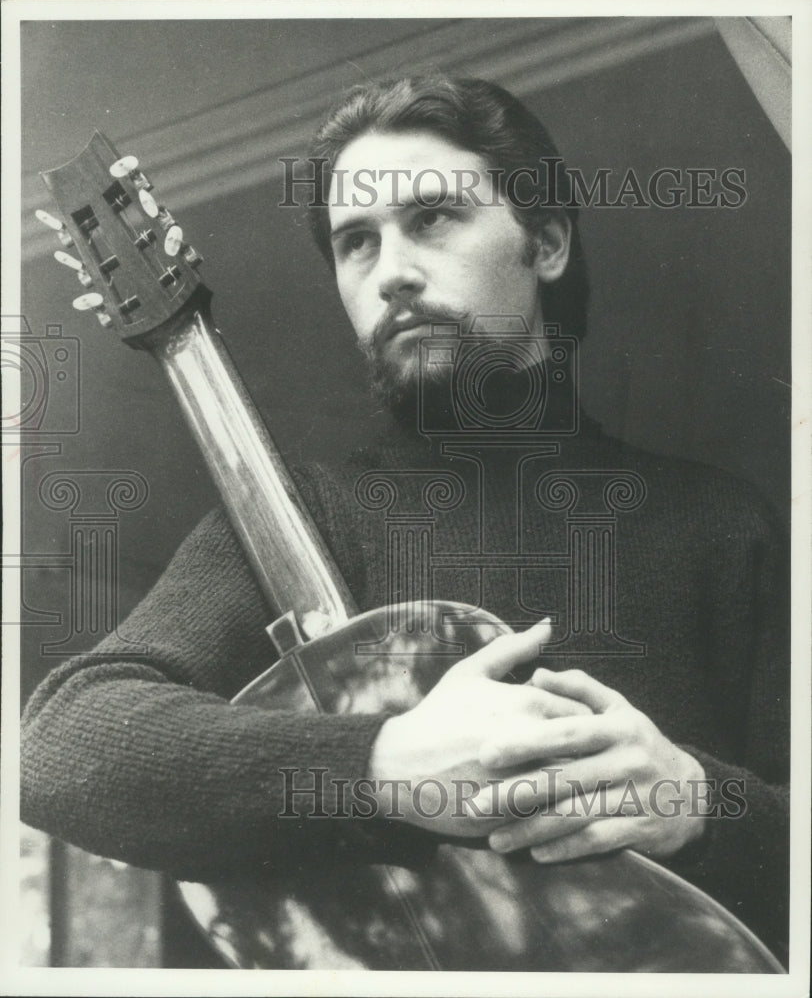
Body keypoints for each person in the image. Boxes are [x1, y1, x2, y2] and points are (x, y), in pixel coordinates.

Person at [21, 75, 789, 964]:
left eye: (432, 218)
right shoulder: (304, 515)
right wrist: (386, 769)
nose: (392, 274)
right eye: (357, 243)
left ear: (545, 243)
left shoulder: (719, 524)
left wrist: (700, 802)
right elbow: (62, 744)